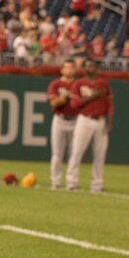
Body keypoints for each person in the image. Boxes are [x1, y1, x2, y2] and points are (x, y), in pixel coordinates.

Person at [65, 58, 113, 193]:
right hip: (84, 119)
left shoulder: (103, 83)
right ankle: (71, 182)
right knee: (76, 152)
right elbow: (74, 104)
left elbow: (109, 104)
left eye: (94, 65)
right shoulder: (79, 83)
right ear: (84, 69)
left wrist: (109, 121)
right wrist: (93, 96)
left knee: (100, 155)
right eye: (89, 65)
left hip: (100, 120)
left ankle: (97, 185)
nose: (92, 67)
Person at [47, 59, 79, 190]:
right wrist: (64, 98)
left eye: (71, 68)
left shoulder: (77, 84)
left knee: (74, 154)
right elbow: (53, 103)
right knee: (57, 153)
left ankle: (72, 183)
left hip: (76, 120)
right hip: (60, 119)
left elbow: (81, 103)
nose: (69, 70)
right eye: (67, 68)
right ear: (62, 70)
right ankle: (56, 181)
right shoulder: (56, 84)